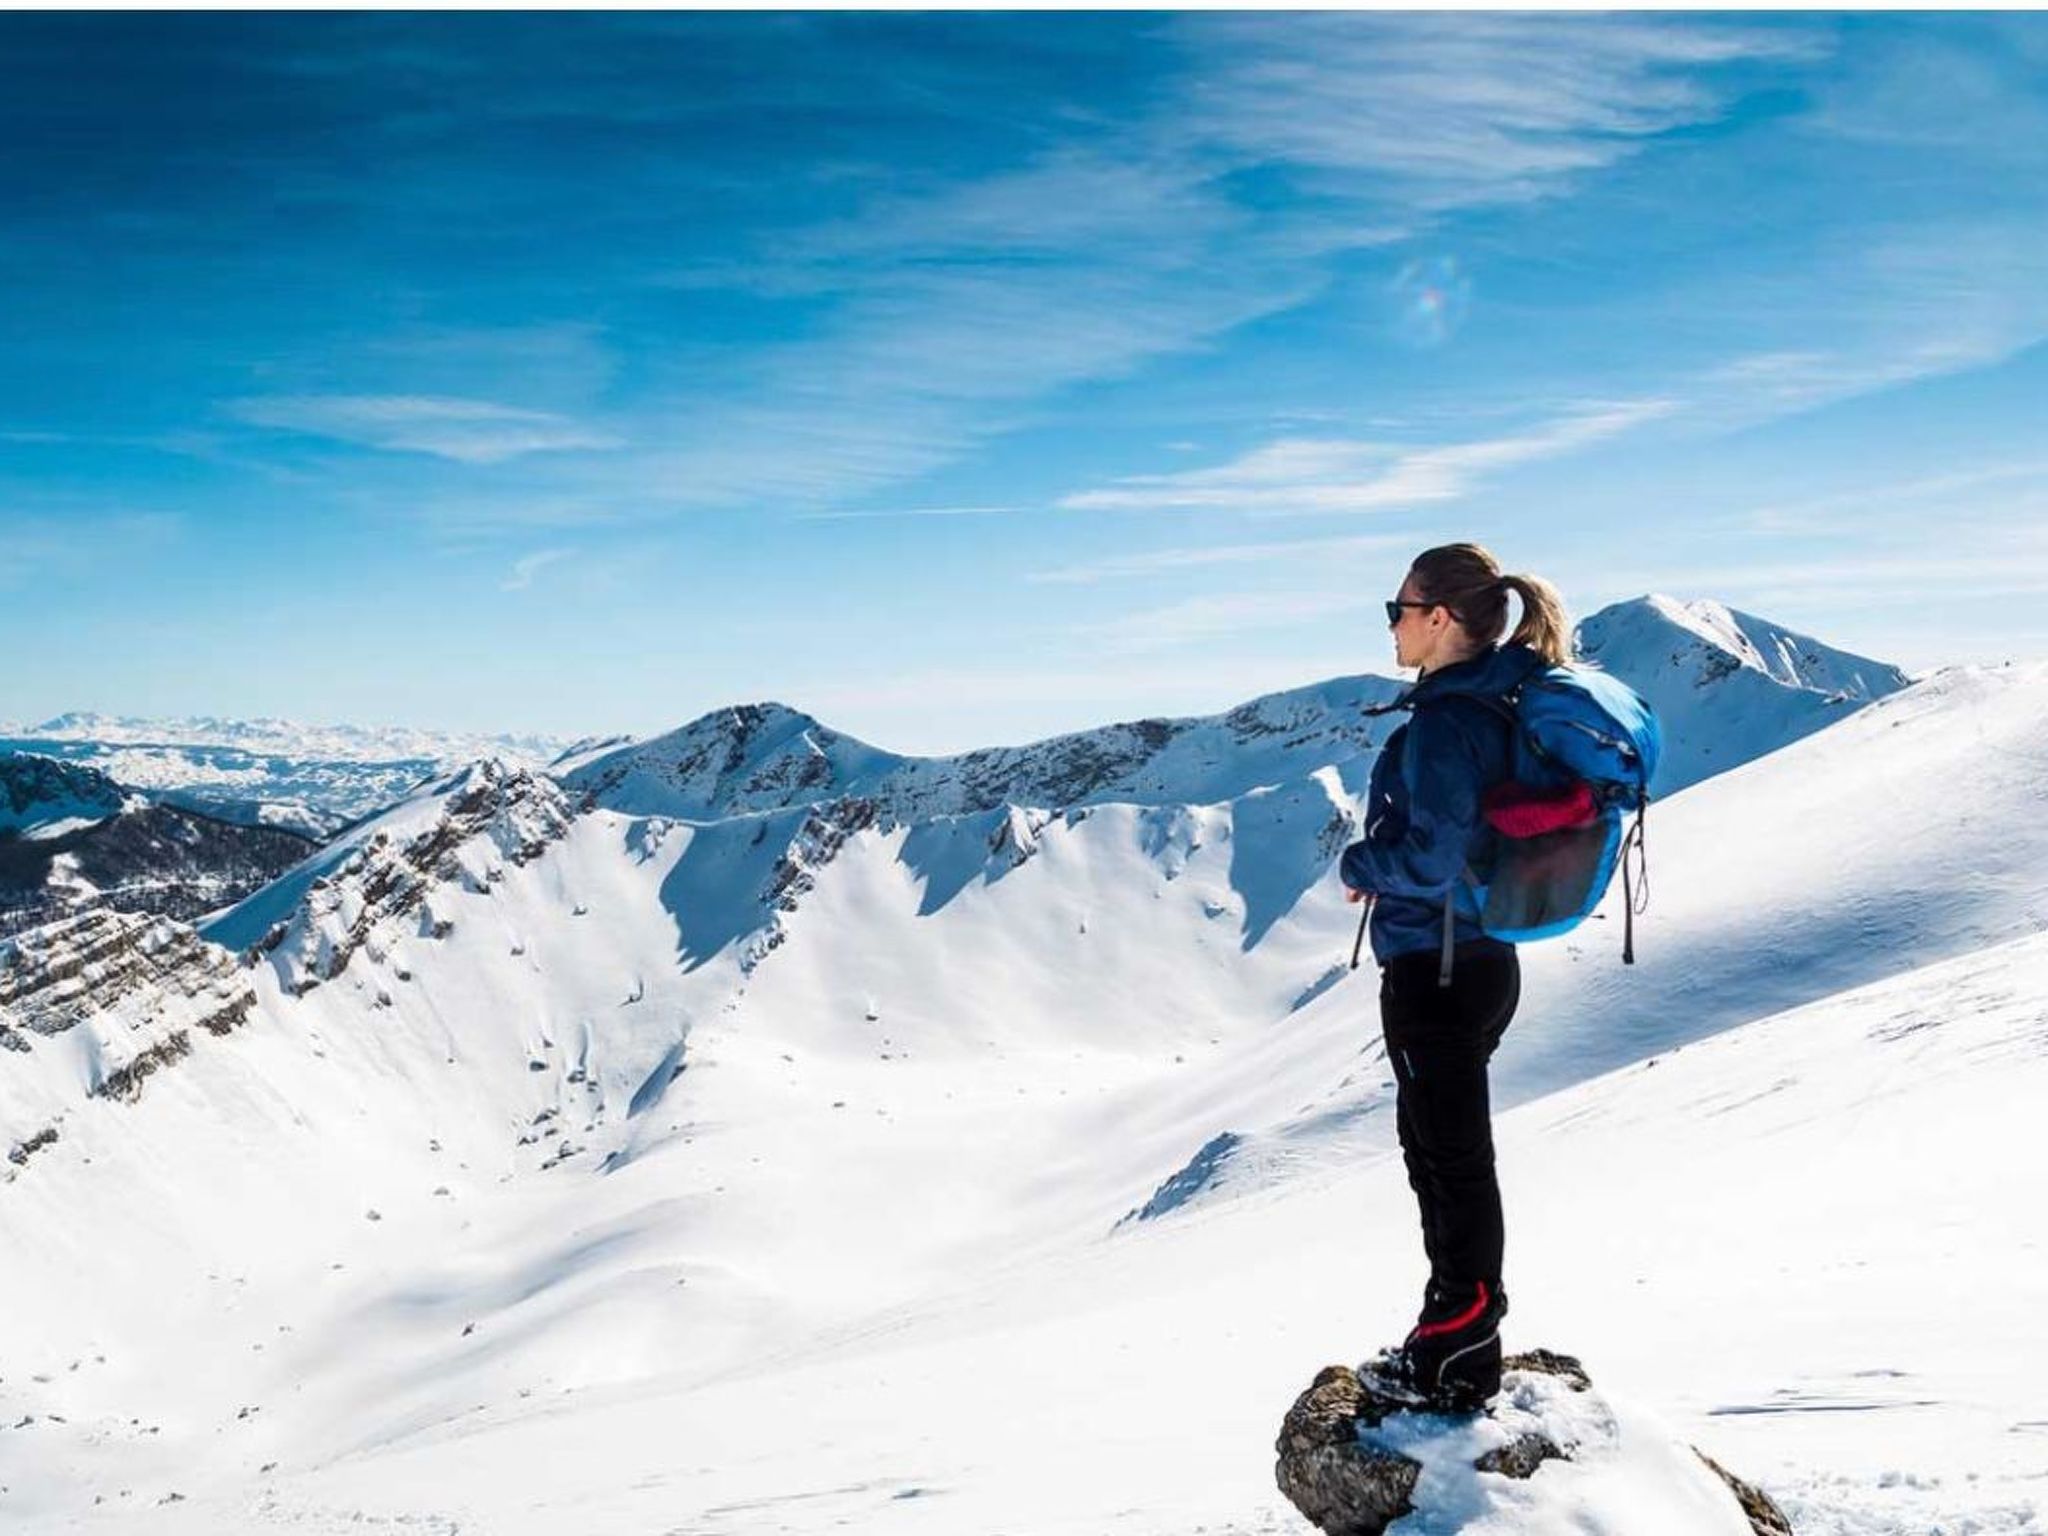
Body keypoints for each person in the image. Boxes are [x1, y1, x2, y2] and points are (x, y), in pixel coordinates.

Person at [1338, 542, 1574, 1410]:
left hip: (1437, 967)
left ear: (1438, 617)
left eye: (1397, 608)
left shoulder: (1445, 722)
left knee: (1450, 1162)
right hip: (1477, 961)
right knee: (1442, 1154)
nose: (1392, 625)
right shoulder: (1491, 703)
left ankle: (1458, 1353)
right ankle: (1449, 1335)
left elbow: (1432, 857)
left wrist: (1363, 861)